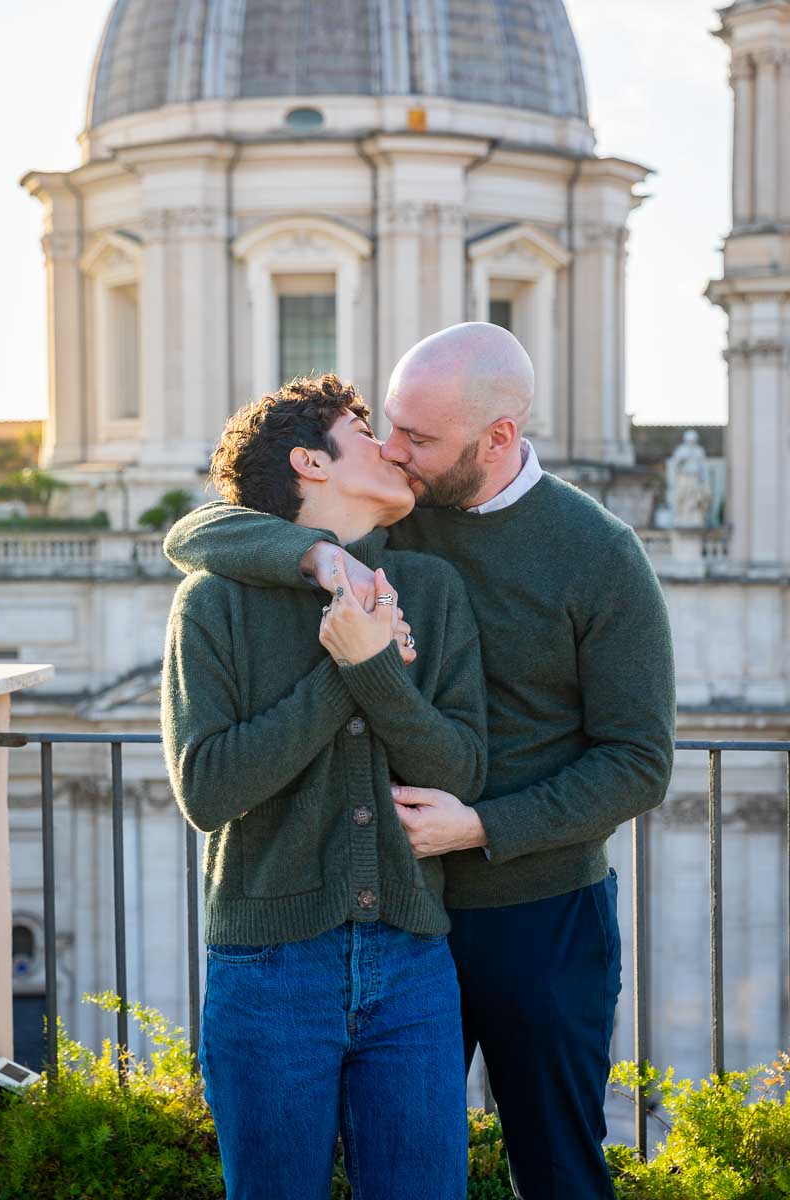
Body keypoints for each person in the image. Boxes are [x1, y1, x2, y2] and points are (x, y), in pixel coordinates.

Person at [164, 324, 677, 1200]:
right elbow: (205, 526)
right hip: (405, 919)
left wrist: (481, 825)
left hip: (534, 908)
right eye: (388, 429)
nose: (398, 452)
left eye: (419, 439)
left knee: (555, 1166)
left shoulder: (598, 554)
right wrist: (314, 554)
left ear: (497, 440)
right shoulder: (400, 508)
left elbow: (639, 761)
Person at [160, 373, 487, 1200]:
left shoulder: (435, 592)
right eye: (364, 431)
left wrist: (370, 665)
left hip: (413, 963)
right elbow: (206, 789)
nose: (392, 449)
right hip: (268, 970)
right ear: (311, 462)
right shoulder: (213, 602)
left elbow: (459, 770)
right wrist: (351, 668)